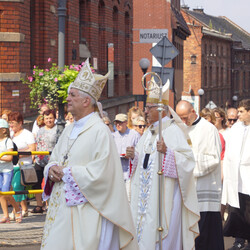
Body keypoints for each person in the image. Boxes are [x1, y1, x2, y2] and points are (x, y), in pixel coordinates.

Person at [41, 59, 138, 250]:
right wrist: (51, 168)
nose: (67, 99)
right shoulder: (69, 129)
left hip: (87, 212)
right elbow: (56, 158)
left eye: (72, 95)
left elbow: (102, 174)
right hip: (61, 209)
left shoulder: (100, 131)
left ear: (86, 101)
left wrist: (67, 173)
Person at [128, 80, 200, 250]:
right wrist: (134, 157)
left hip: (165, 198)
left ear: (162, 109)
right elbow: (145, 163)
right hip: (145, 199)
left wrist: (168, 153)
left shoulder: (173, 131)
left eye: (149, 107)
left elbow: (188, 162)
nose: (145, 111)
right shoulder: (148, 132)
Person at [176, 100, 224, 250]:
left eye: (185, 117)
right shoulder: (180, 129)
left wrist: (186, 164)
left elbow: (214, 159)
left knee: (206, 239)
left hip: (205, 194)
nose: (183, 121)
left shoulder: (208, 129)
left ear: (193, 112)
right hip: (187, 193)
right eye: (180, 118)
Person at [222, 99, 250, 250]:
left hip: (248, 174)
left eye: (241, 112)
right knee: (237, 210)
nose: (238, 115)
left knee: (248, 210)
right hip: (236, 176)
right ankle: (239, 240)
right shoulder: (236, 128)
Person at [8, 111, 36, 218]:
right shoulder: (10, 134)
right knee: (16, 188)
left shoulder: (27, 134)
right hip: (12, 165)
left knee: (16, 187)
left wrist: (18, 154)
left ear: (20, 123)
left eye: (13, 123)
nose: (11, 125)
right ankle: (24, 209)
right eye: (10, 123)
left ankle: (16, 211)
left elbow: (33, 149)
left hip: (23, 165)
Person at [31, 109, 57, 214]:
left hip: (52, 161)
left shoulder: (58, 129)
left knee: (51, 183)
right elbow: (38, 144)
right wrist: (34, 156)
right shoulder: (40, 130)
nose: (49, 120)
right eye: (46, 118)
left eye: (51, 118)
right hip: (39, 160)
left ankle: (51, 204)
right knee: (36, 182)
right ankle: (39, 205)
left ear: (54, 118)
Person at [0, 119, 22, 223]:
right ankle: (6, 215)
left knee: (6, 192)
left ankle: (17, 209)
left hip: (7, 170)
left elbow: (9, 158)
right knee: (1, 193)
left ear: (4, 130)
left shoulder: (8, 141)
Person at [113, 113, 140, 181]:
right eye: (116, 123)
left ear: (126, 123)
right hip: (117, 173)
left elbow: (140, 152)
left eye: (120, 123)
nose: (118, 125)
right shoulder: (112, 136)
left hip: (130, 172)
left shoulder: (134, 135)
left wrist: (132, 155)